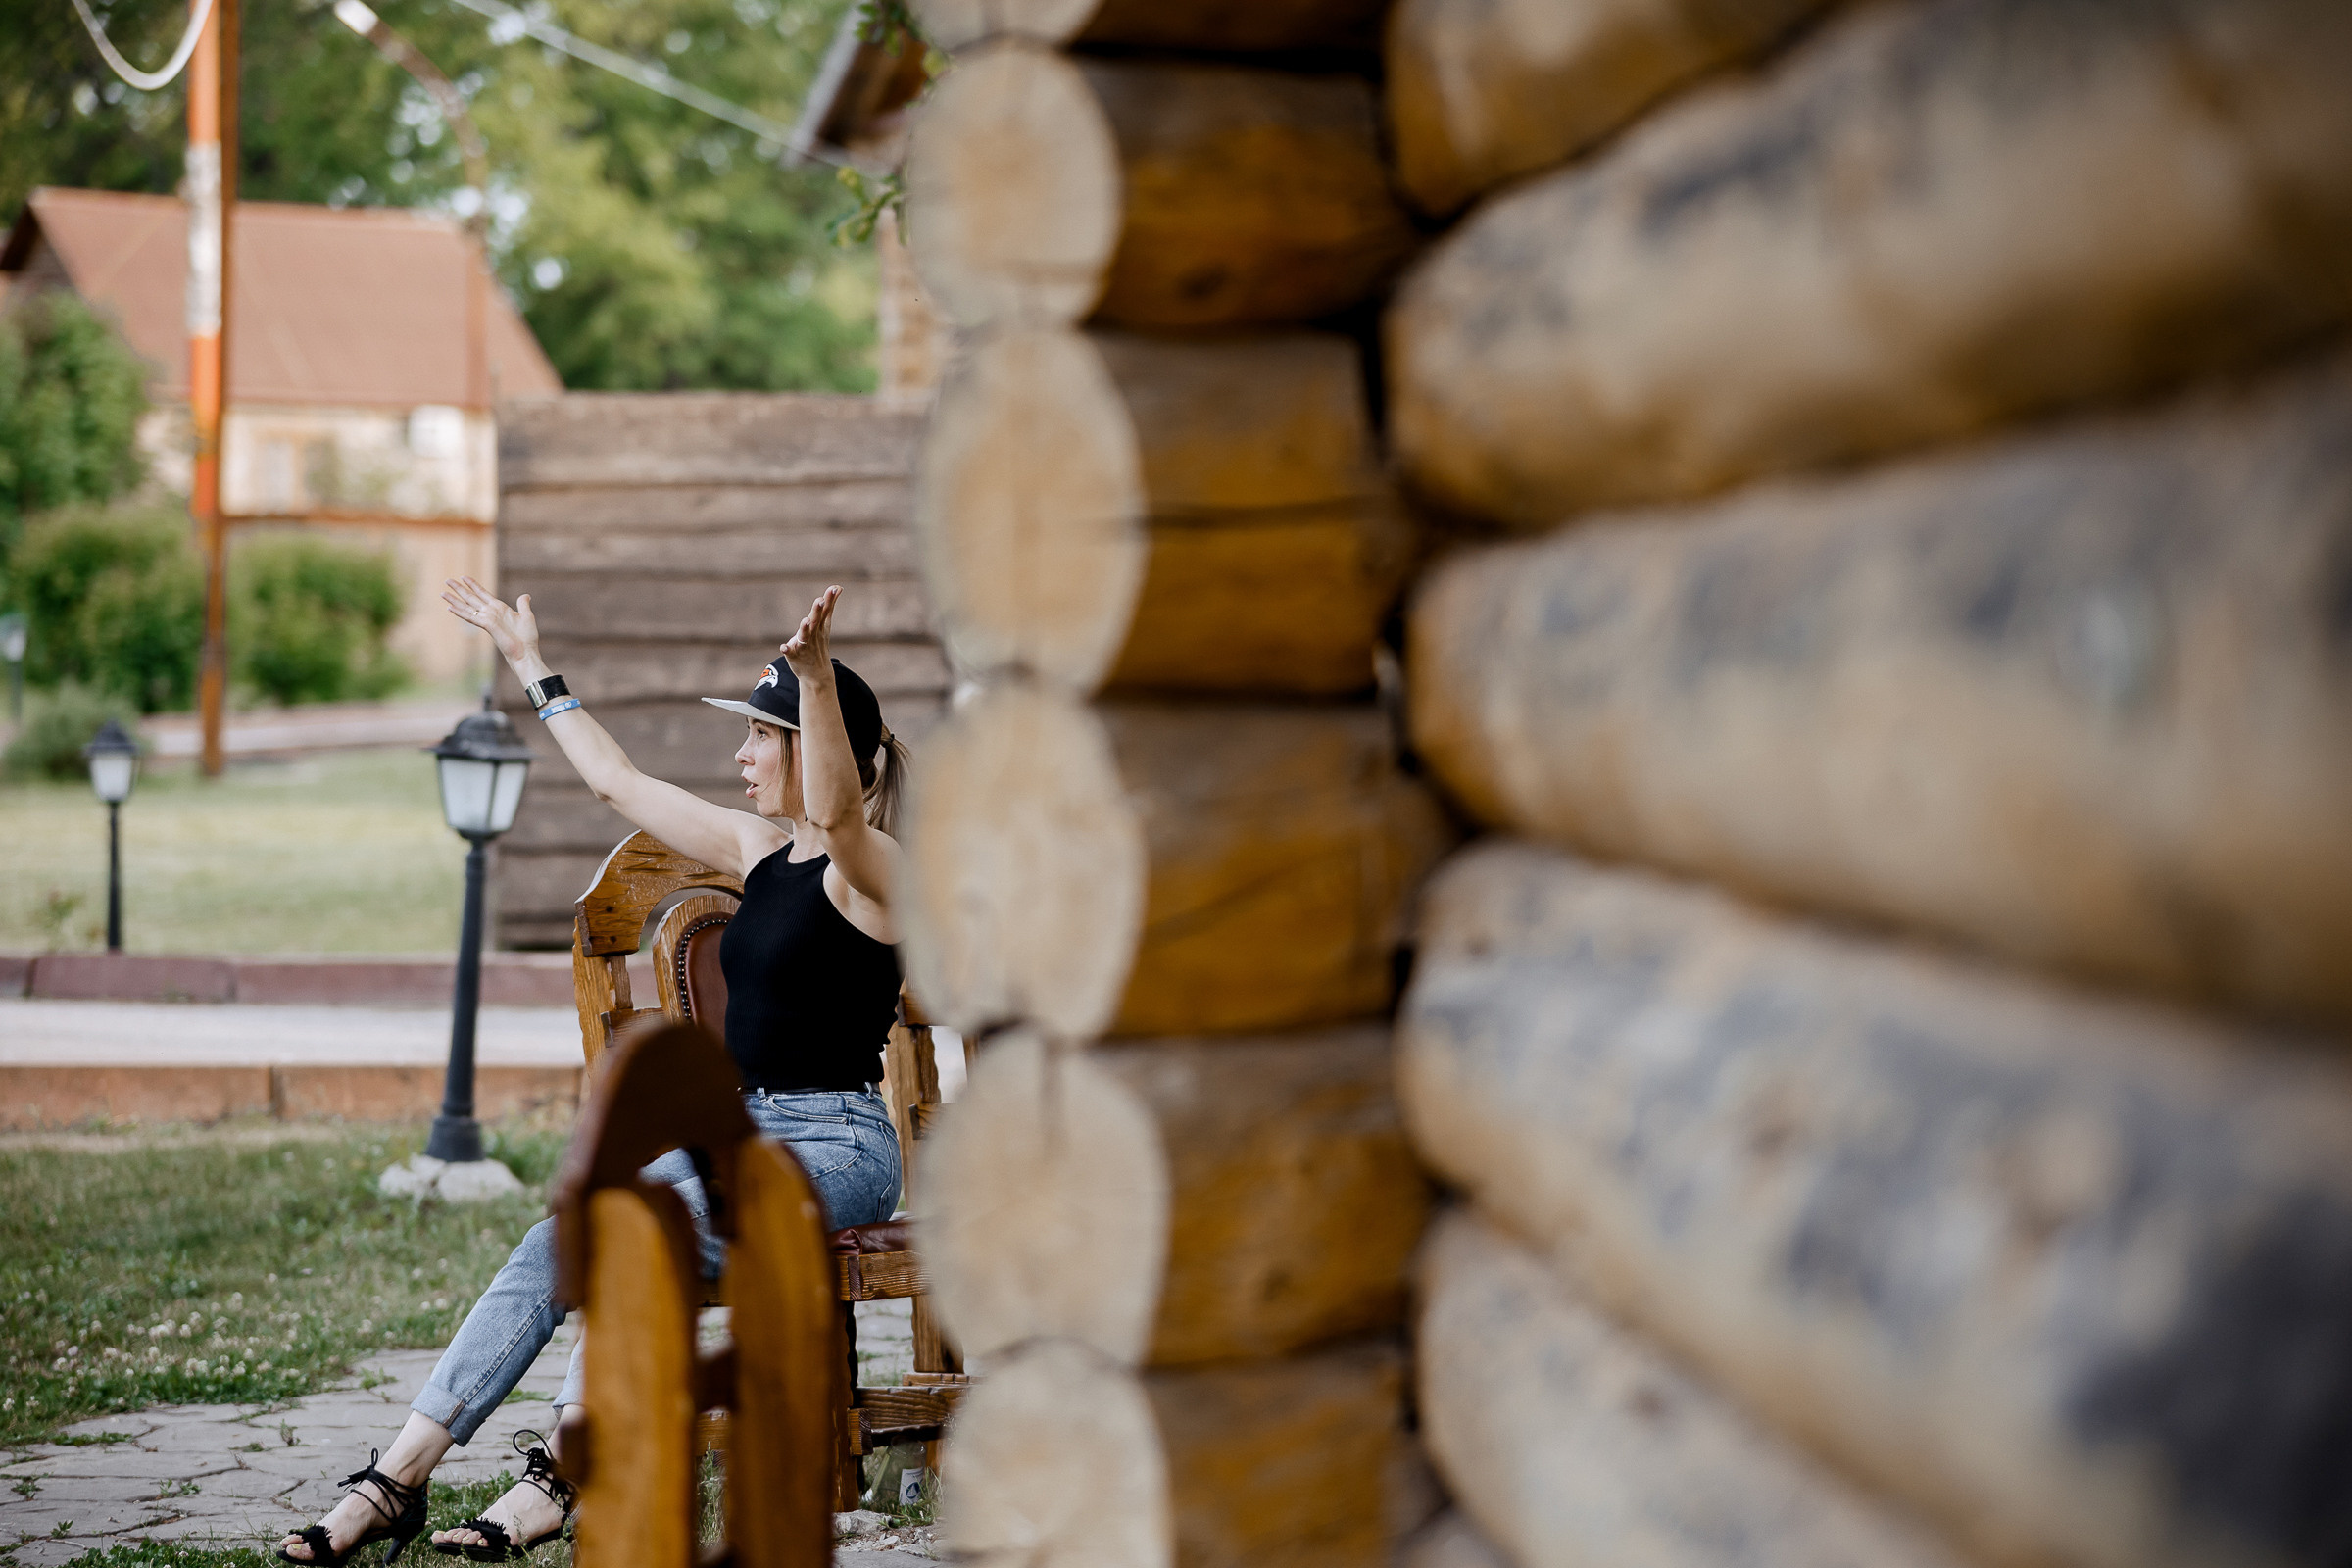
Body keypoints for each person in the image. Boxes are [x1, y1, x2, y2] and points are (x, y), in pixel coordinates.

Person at [272, 581, 909, 1565]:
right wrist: (533, 666)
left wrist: (817, 677)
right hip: (738, 1138)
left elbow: (837, 806)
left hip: (837, 1147)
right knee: (563, 1237)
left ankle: (559, 1475)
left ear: (819, 745)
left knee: (630, 1230)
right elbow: (618, 783)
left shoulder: (873, 872)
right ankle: (395, 1477)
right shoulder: (758, 852)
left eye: (760, 735)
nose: (740, 756)